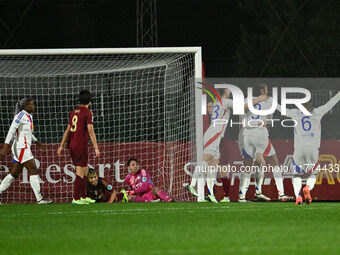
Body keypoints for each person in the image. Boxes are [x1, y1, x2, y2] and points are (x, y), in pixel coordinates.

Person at [186, 88, 267, 203]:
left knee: (213, 165)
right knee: (206, 160)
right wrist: (258, 100)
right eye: (228, 90)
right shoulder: (224, 101)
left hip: (215, 133)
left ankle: (210, 194)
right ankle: (193, 185)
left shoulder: (217, 103)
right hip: (215, 133)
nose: (230, 92)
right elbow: (242, 108)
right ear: (224, 92)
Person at [277, 91, 340, 205]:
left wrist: (271, 100)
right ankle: (307, 188)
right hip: (313, 149)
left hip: (299, 149)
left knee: (296, 174)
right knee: (313, 174)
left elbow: (280, 109)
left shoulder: (295, 113)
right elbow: (332, 102)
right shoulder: (318, 112)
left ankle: (298, 196)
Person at [239, 84, 293, 202]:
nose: (268, 92)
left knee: (250, 165)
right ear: (262, 90)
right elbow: (282, 111)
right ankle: (281, 194)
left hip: (247, 135)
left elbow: (243, 111)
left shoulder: (248, 100)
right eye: (267, 90)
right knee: (274, 163)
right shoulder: (268, 101)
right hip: (260, 135)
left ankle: (243, 196)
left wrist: (265, 121)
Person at [0, 97, 53, 204]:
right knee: (33, 169)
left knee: (14, 174)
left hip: (23, 147)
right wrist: (5, 148)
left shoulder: (29, 116)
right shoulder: (20, 116)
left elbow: (28, 134)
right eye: (32, 104)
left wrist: (38, 144)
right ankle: (40, 199)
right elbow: (11, 131)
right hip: (21, 147)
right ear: (25, 106)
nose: (34, 106)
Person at [57, 90, 100, 205]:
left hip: (73, 144)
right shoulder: (88, 112)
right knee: (80, 172)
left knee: (85, 171)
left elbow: (68, 130)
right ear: (89, 101)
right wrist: (96, 148)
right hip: (80, 145)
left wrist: (61, 145)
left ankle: (83, 196)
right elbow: (91, 130)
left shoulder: (73, 112)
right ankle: (76, 198)